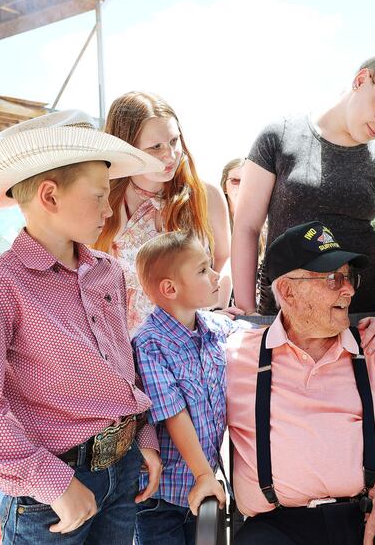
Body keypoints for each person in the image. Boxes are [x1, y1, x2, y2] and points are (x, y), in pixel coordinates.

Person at [0, 110, 165, 545]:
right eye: (99, 195)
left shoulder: (108, 274)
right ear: (49, 196)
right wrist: (53, 482)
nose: (108, 207)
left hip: (121, 473)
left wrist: (144, 436)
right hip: (51, 493)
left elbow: (122, 370)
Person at [226, 221, 375, 545]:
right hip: (277, 530)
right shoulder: (237, 356)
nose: (349, 289)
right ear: (288, 290)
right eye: (333, 279)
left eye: (349, 277)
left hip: (374, 516)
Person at [232, 22, 375, 358]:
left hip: (359, 323)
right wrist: (246, 312)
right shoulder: (279, 136)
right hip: (280, 318)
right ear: (361, 80)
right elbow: (246, 227)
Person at [130, 230, 240, 545]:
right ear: (170, 288)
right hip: (160, 496)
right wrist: (204, 474)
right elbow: (172, 413)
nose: (216, 275)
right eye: (203, 270)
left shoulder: (214, 329)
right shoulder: (150, 343)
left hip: (202, 483)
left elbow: (256, 336)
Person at [93, 91, 232, 332]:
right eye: (155, 147)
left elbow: (224, 257)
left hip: (196, 337)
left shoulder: (205, 194)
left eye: (174, 141)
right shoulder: (105, 202)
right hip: (131, 345)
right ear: (127, 147)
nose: (169, 155)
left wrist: (218, 309)